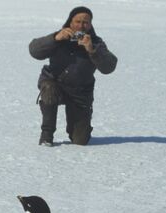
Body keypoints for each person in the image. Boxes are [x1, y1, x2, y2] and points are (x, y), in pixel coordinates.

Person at [29, 6, 117, 146]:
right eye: (77, 21)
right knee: (49, 88)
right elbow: (34, 50)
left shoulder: (96, 42)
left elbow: (109, 67)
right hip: (55, 83)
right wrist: (55, 38)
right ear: (70, 21)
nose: (81, 26)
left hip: (80, 92)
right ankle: (47, 134)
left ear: (90, 24)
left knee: (80, 140)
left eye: (86, 22)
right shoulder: (59, 36)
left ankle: (78, 128)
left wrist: (92, 50)